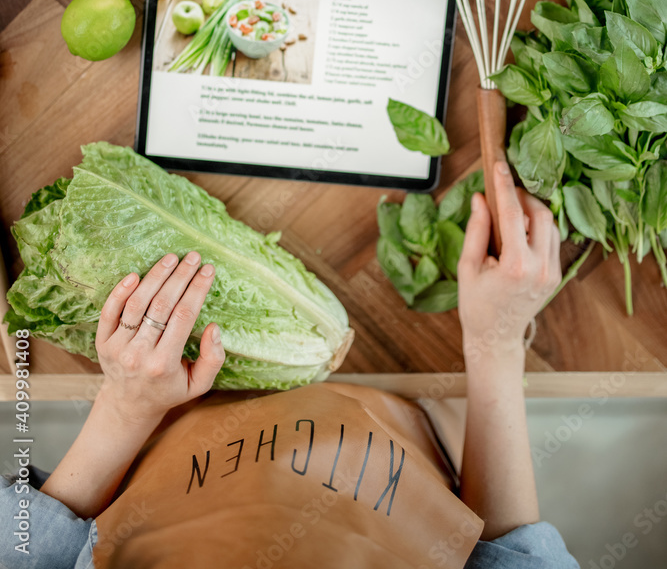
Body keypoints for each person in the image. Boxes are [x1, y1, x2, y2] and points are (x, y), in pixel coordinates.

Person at [1, 163, 580, 567]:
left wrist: (125, 408)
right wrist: (495, 344)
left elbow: (27, 550)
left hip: (163, 409)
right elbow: (513, 556)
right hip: (380, 401)